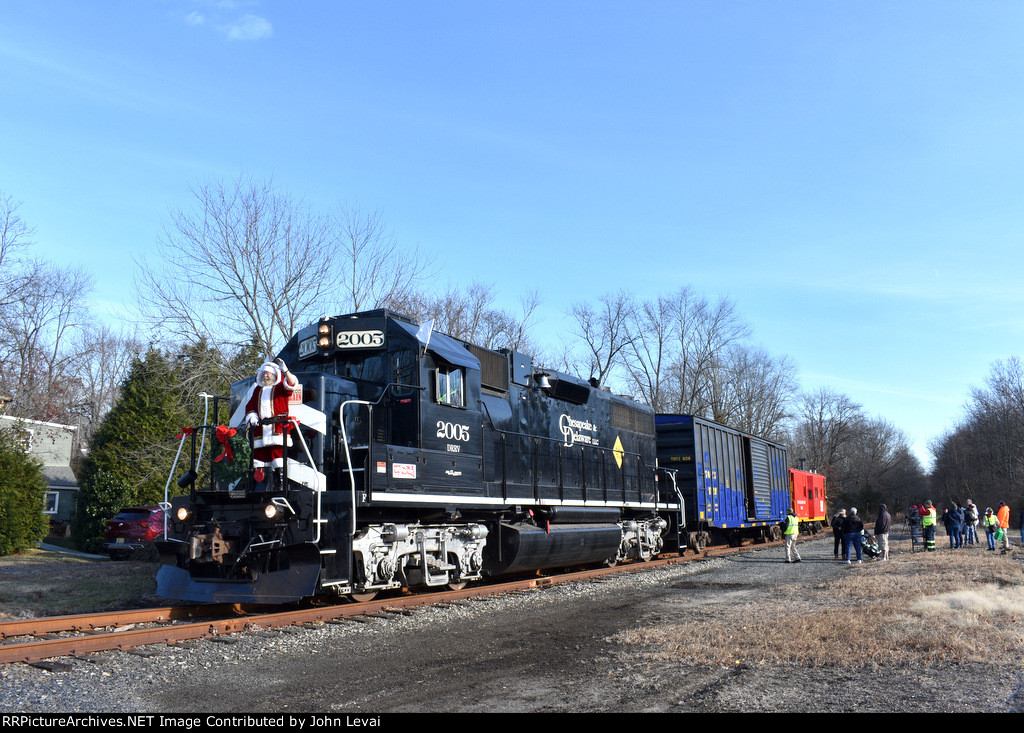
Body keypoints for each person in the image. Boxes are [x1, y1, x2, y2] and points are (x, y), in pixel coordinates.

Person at [243, 358, 299, 486]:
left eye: (268, 373)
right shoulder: (258, 390)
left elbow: (292, 383)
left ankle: (279, 482)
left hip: (277, 428)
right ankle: (259, 483)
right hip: (260, 429)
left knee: (277, 455)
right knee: (259, 457)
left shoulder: (280, 387)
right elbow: (250, 406)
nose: (266, 375)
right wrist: (252, 417)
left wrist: (285, 370)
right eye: (264, 373)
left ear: (274, 375)